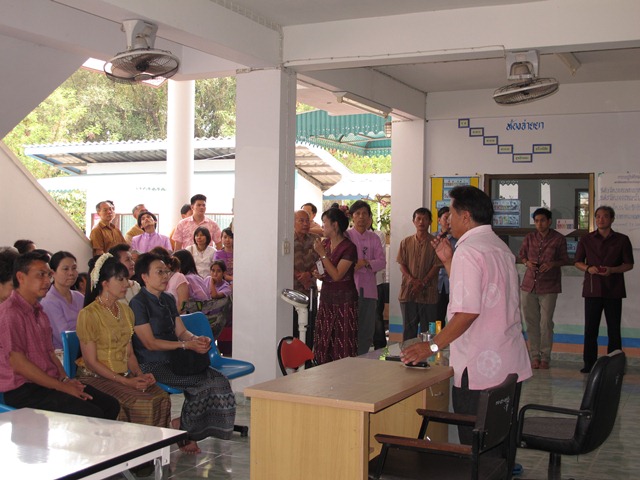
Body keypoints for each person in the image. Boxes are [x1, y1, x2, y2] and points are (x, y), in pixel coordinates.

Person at [401, 186, 531, 451]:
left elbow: (468, 312)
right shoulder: (499, 246)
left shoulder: (469, 250)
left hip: (480, 369)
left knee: (477, 448)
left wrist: (431, 346)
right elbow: (479, 293)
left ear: (466, 216)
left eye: (451, 213)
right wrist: (449, 262)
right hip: (508, 364)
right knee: (499, 444)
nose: (447, 220)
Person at [130, 253, 237, 454]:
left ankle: (183, 426)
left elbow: (181, 331)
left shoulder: (168, 299)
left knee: (219, 381)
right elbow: (150, 343)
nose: (165, 276)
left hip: (176, 359)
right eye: (159, 272)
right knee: (200, 384)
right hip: (153, 363)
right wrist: (186, 345)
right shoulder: (138, 303)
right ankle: (186, 434)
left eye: (166, 272)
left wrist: (196, 339)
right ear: (144, 277)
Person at [0, 251, 120, 419]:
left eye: (48, 275)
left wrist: (65, 380)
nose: (46, 281)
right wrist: (61, 387)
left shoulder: (39, 311)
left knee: (110, 405)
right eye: (40, 275)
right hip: (23, 389)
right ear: (21, 277)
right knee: (91, 413)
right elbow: (19, 364)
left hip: (48, 382)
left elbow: (50, 353)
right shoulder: (10, 312)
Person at [76, 253, 170, 428]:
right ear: (105, 283)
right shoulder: (89, 314)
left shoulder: (126, 312)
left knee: (161, 397)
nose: (126, 284)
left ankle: (157, 446)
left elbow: (130, 354)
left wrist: (139, 375)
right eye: (120, 279)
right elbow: (91, 362)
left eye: (126, 279)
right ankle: (137, 446)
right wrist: (126, 382)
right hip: (96, 377)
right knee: (143, 403)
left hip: (122, 375)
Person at [574, 206, 634, 373]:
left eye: (605, 216)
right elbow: (577, 262)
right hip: (592, 289)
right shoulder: (586, 239)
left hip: (613, 289)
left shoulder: (622, 239)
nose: (601, 219)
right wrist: (588, 268)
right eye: (598, 216)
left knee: (614, 329)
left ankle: (614, 366)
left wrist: (612, 270)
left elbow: (629, 264)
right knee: (590, 329)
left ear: (612, 219)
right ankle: (589, 364)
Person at [519, 207, 569, 369]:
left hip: (549, 285)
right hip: (529, 285)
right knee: (531, 322)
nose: (539, 224)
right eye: (536, 221)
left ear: (549, 221)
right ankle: (534, 356)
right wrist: (527, 263)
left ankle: (545, 357)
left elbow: (565, 259)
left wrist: (551, 264)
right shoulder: (529, 237)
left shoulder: (558, 239)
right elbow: (522, 255)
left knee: (546, 323)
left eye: (542, 220)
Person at [312, 207, 358, 364]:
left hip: (344, 302)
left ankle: (344, 375)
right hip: (327, 299)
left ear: (335, 225)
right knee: (324, 340)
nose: (322, 226)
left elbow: (338, 275)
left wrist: (322, 254)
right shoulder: (325, 244)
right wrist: (319, 273)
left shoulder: (349, 247)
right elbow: (324, 268)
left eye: (325, 222)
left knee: (342, 343)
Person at [347, 200, 386, 355]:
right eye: (357, 213)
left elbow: (382, 262)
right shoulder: (347, 236)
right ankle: (348, 359)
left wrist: (366, 263)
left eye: (364, 213)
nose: (361, 217)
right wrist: (355, 265)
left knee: (367, 330)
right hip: (350, 288)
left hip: (369, 289)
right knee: (350, 328)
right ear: (352, 217)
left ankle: (361, 358)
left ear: (369, 217)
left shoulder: (374, 238)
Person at [397, 208, 441, 340]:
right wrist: (412, 280)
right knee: (408, 331)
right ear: (413, 221)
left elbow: (437, 266)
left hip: (429, 294)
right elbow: (402, 264)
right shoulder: (405, 242)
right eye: (419, 219)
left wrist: (423, 282)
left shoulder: (435, 243)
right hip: (408, 293)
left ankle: (428, 354)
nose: (421, 222)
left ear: (430, 222)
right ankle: (408, 354)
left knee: (429, 333)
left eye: (425, 219)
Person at [40, 251, 84, 350]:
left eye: (74, 268)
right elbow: (65, 338)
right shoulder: (49, 301)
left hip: (84, 349)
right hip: (64, 354)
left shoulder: (79, 297)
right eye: (65, 269)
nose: (71, 273)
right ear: (53, 273)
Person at [293, 210, 319, 347]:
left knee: (309, 328)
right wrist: (299, 276)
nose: (305, 224)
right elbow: (282, 262)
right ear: (293, 222)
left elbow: (320, 262)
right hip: (293, 292)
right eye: (301, 221)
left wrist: (309, 275)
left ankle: (307, 357)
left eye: (307, 221)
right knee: (292, 329)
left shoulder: (315, 239)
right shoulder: (287, 239)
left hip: (310, 290)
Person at [436, 206, 457, 327]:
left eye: (450, 218)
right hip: (437, 283)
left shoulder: (458, 239)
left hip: (453, 283)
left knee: (454, 316)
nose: (448, 221)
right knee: (437, 317)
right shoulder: (434, 238)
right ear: (439, 220)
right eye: (445, 218)